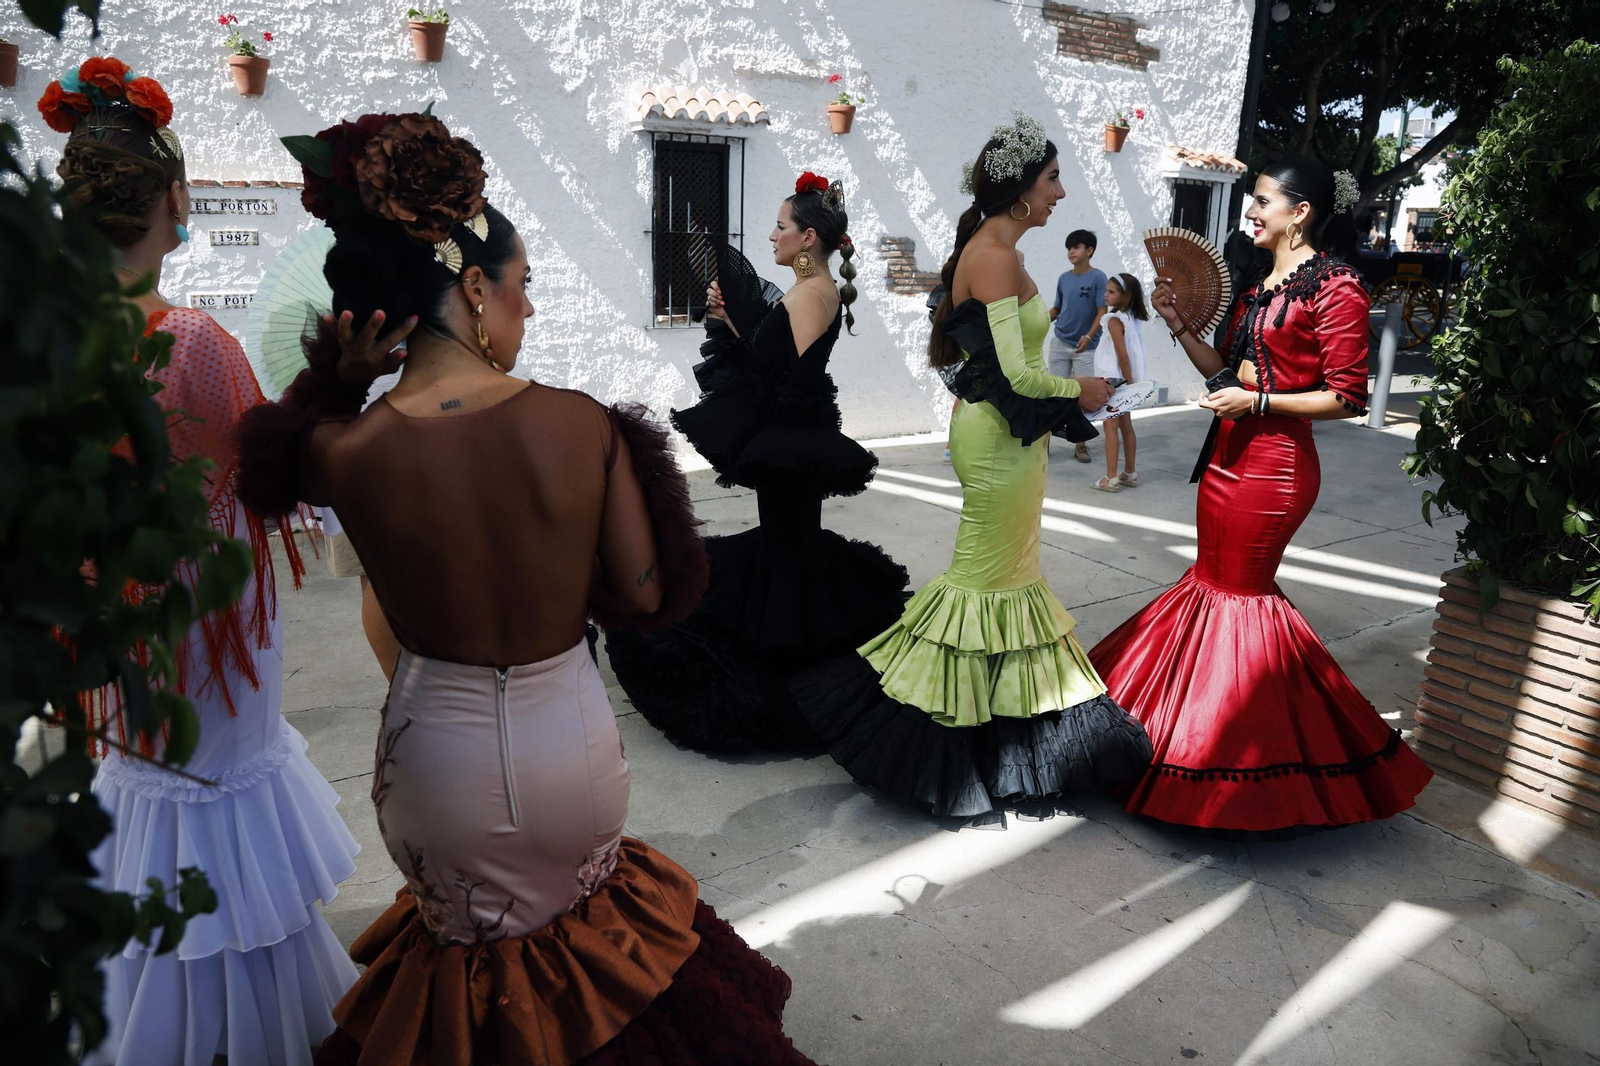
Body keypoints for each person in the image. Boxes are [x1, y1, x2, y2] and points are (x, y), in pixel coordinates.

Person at [237, 111, 818, 1065]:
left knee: (471, 970)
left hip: (434, 758)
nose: (529, 311)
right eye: (523, 288)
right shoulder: (583, 427)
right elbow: (646, 597)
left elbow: (268, 478)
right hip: (568, 740)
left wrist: (335, 384)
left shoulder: (344, 449)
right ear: (472, 285)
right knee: (592, 939)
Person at [40, 58, 361, 1065]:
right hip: (207, 616)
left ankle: (145, 1018)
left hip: (112, 610)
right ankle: (238, 1030)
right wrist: (331, 385)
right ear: (174, 202)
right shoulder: (191, 342)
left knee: (146, 793)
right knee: (222, 798)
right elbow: (276, 475)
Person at [789, 114, 1152, 820]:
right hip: (995, 442)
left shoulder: (1000, 253)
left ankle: (989, 733)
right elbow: (1017, 375)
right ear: (1019, 191)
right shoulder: (991, 255)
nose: (1060, 192)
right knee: (985, 583)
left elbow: (1011, 353)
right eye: (1051, 180)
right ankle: (931, 733)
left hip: (1008, 439)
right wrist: (1084, 389)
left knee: (1006, 581)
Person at [1088, 158, 1434, 834]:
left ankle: (1234, 765)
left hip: (1273, 468)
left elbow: (1346, 395)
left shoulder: (1336, 288)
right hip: (1225, 457)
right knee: (1210, 586)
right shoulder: (1258, 285)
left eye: (1262, 201)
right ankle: (1177, 740)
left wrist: (1259, 400)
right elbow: (1226, 370)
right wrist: (1178, 324)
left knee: (1239, 597)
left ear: (1300, 212)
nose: (1251, 211)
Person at [603, 172, 909, 753]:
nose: (771, 235)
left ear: (808, 235)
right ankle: (792, 646)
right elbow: (777, 354)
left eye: (781, 226)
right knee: (785, 547)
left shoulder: (812, 291)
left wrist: (739, 322)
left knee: (788, 552)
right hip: (792, 443)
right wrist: (738, 319)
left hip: (794, 447)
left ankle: (791, 668)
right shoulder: (809, 288)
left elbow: (782, 376)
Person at [1048, 228, 1108, 463]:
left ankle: (1080, 444)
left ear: (1089, 250)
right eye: (1069, 248)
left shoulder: (1098, 278)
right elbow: (1057, 308)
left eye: (1076, 247)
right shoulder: (1064, 278)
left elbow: (1102, 311)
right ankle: (1044, 443)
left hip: (1087, 347)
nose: (1071, 251)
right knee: (1053, 393)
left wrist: (1088, 335)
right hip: (1060, 343)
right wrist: (1037, 321)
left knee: (1081, 396)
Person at [1089, 273, 1149, 492]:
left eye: (1111, 292)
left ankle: (1111, 477)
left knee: (1110, 427)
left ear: (1125, 296)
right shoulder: (1131, 318)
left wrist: (1129, 383)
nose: (1105, 295)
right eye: (1106, 290)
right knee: (1126, 426)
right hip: (1125, 380)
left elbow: (1122, 356)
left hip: (1113, 380)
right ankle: (1130, 472)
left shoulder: (1114, 320)